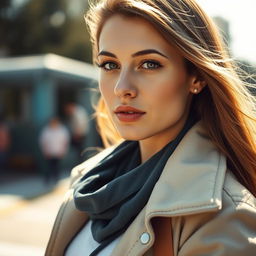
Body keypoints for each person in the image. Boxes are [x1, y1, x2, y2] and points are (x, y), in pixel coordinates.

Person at [45, 0, 256, 255]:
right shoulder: (89, 181)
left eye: (149, 64)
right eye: (110, 65)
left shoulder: (224, 218)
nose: (122, 88)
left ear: (196, 77)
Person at [39, 117, 70, 184]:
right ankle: (47, 180)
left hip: (58, 152)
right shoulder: (46, 130)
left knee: (57, 167)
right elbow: (43, 141)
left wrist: (63, 151)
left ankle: (56, 179)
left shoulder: (62, 130)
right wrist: (45, 151)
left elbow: (65, 141)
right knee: (48, 167)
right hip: (49, 152)